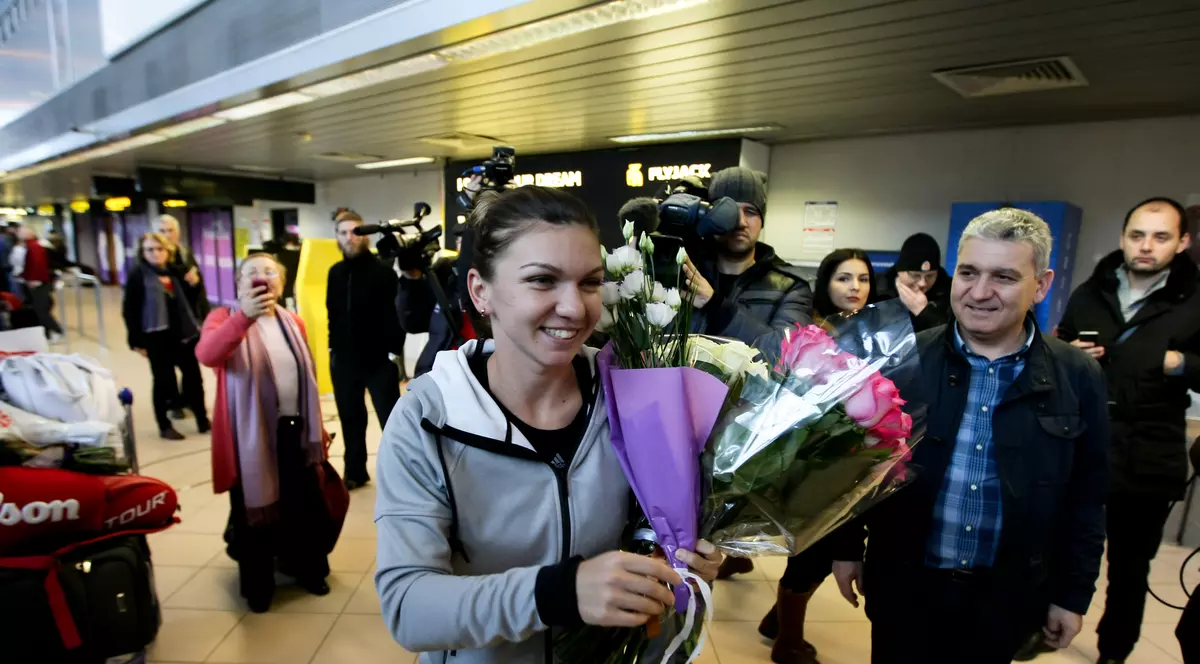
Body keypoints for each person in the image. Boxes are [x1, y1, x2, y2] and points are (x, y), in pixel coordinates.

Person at [374, 186, 724, 663]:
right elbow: (408, 606)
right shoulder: (428, 419)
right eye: (542, 280)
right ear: (481, 291)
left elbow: (653, 534)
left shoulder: (634, 394)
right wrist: (559, 593)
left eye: (589, 282)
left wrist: (684, 559)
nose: (575, 308)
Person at [830, 208, 1110, 664]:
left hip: (1006, 596)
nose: (980, 293)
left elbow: (1087, 497)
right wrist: (844, 549)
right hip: (906, 585)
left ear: (1041, 285)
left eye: (1003, 277)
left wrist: (1072, 595)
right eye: (968, 273)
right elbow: (856, 465)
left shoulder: (1077, 376)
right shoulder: (905, 361)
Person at [1047, 197, 1198, 664]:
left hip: (1148, 454)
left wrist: (1181, 364)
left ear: (1182, 242)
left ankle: (1114, 652)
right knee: (1055, 546)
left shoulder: (1194, 299)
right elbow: (1056, 347)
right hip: (1083, 442)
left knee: (1129, 568)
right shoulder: (1090, 293)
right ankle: (1040, 629)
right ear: (1122, 238)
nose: (1146, 247)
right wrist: (1069, 349)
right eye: (1137, 235)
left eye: (1160, 236)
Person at [753, 248, 877, 664]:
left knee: (830, 548)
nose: (854, 287)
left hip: (854, 455)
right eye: (844, 278)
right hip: (812, 460)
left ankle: (777, 621)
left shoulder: (876, 330)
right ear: (825, 283)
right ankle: (788, 638)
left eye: (862, 278)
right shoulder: (811, 331)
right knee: (813, 552)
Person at [195, 252, 334, 612]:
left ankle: (308, 570)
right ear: (239, 283)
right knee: (254, 516)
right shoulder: (223, 318)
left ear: (281, 282)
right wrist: (244, 317)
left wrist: (317, 427)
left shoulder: (293, 321)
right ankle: (259, 587)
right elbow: (208, 354)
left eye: (270, 271)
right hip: (250, 439)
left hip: (295, 429)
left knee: (303, 505)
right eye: (252, 272)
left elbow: (307, 378)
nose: (261, 277)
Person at [681, 167, 814, 357]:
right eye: (729, 211)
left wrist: (716, 306)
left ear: (762, 221)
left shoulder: (791, 287)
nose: (740, 222)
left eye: (750, 211)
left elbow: (786, 355)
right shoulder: (684, 273)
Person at [326, 210, 406, 489]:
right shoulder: (335, 273)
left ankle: (403, 475)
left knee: (392, 422)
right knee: (351, 420)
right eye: (344, 232)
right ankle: (355, 472)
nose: (350, 237)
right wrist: (332, 350)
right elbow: (332, 316)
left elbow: (397, 316)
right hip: (344, 361)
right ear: (336, 237)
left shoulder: (384, 272)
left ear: (366, 235)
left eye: (356, 231)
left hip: (378, 361)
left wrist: (393, 352)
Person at [121, 233, 209, 440]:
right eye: (149, 250)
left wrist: (195, 284)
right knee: (163, 381)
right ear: (143, 253)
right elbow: (130, 310)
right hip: (156, 337)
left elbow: (194, 300)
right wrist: (136, 341)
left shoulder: (177, 272)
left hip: (184, 335)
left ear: (168, 251)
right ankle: (164, 424)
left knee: (194, 379)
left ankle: (202, 420)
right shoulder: (138, 275)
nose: (155, 253)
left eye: (159, 249)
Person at [156, 214, 210, 420]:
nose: (167, 235)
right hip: (165, 324)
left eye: (170, 230)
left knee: (191, 368)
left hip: (188, 322)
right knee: (167, 369)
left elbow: (199, 288)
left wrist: (204, 317)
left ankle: (189, 401)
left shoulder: (185, 254)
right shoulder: (155, 261)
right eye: (162, 231)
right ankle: (173, 402)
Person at [875, 232, 952, 332]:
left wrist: (924, 312)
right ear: (900, 271)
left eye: (930, 276)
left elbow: (952, 339)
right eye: (915, 275)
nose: (922, 283)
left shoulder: (950, 292)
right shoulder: (877, 288)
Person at [9, 225, 65, 341]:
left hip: (39, 282)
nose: (18, 233)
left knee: (41, 309)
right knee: (41, 307)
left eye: (21, 231)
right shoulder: (32, 245)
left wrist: (35, 279)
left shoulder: (35, 246)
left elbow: (37, 264)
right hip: (38, 280)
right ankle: (48, 332)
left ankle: (57, 330)